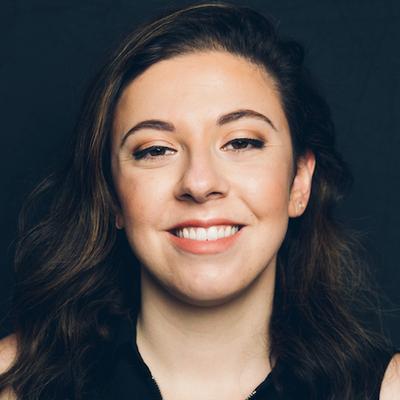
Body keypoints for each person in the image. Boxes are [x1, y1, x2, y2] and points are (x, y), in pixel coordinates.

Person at [0, 2, 399, 399]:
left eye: (241, 142)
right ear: (112, 195)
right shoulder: (17, 382)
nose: (199, 182)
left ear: (298, 182)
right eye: (156, 149)